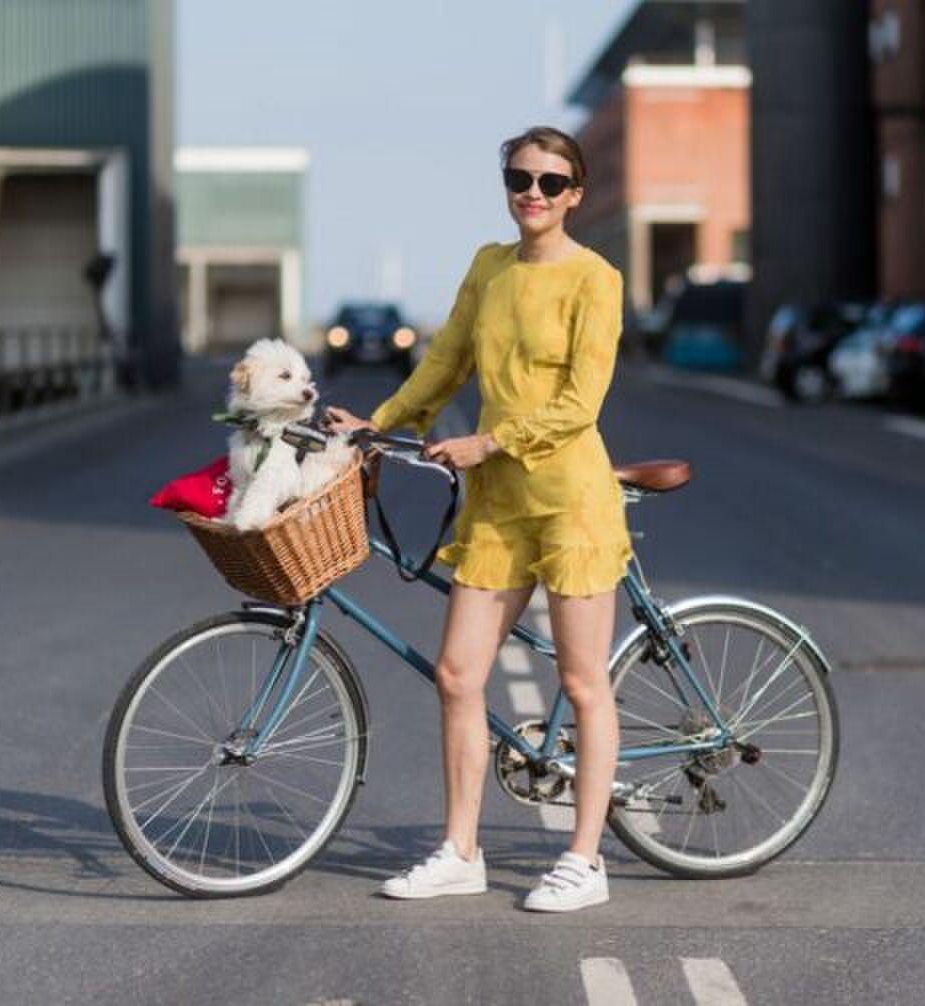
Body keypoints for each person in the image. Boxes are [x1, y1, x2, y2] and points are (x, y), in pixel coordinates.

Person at [325, 126, 631, 913]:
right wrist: (380, 422)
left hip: (568, 500)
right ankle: (461, 849)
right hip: (498, 505)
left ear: (576, 194)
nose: (533, 192)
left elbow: (580, 403)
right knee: (458, 674)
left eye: (552, 182)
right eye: (520, 177)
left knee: (581, 682)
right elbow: (445, 361)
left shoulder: (596, 279)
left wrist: (487, 439)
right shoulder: (490, 267)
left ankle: (585, 859)